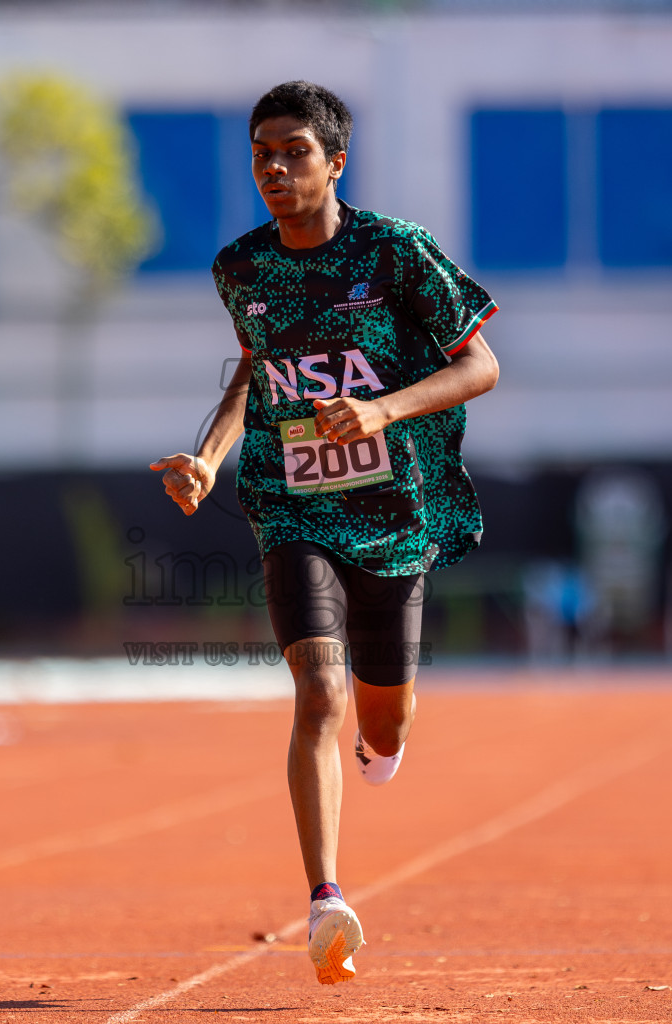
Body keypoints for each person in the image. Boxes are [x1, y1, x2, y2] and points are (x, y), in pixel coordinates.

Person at [151, 81, 499, 985]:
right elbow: (251, 375)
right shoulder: (241, 267)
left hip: (394, 512)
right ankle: (326, 898)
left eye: (295, 151)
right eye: (262, 152)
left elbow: (481, 365)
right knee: (319, 689)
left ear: (335, 160)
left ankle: (385, 742)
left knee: (384, 717)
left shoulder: (394, 252)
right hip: (291, 502)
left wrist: (383, 410)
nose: (274, 167)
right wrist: (210, 458)